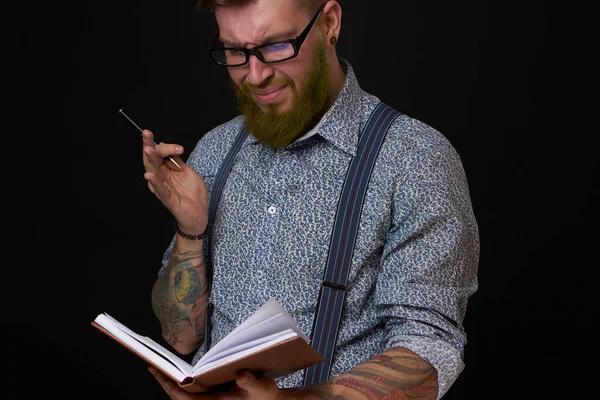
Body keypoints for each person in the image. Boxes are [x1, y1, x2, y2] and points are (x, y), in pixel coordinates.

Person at [141, 0, 480, 398]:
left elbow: (429, 349)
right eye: (235, 51)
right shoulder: (215, 151)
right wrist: (191, 229)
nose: (255, 75)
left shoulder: (416, 159)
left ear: (330, 24)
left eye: (276, 45)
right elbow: (179, 339)